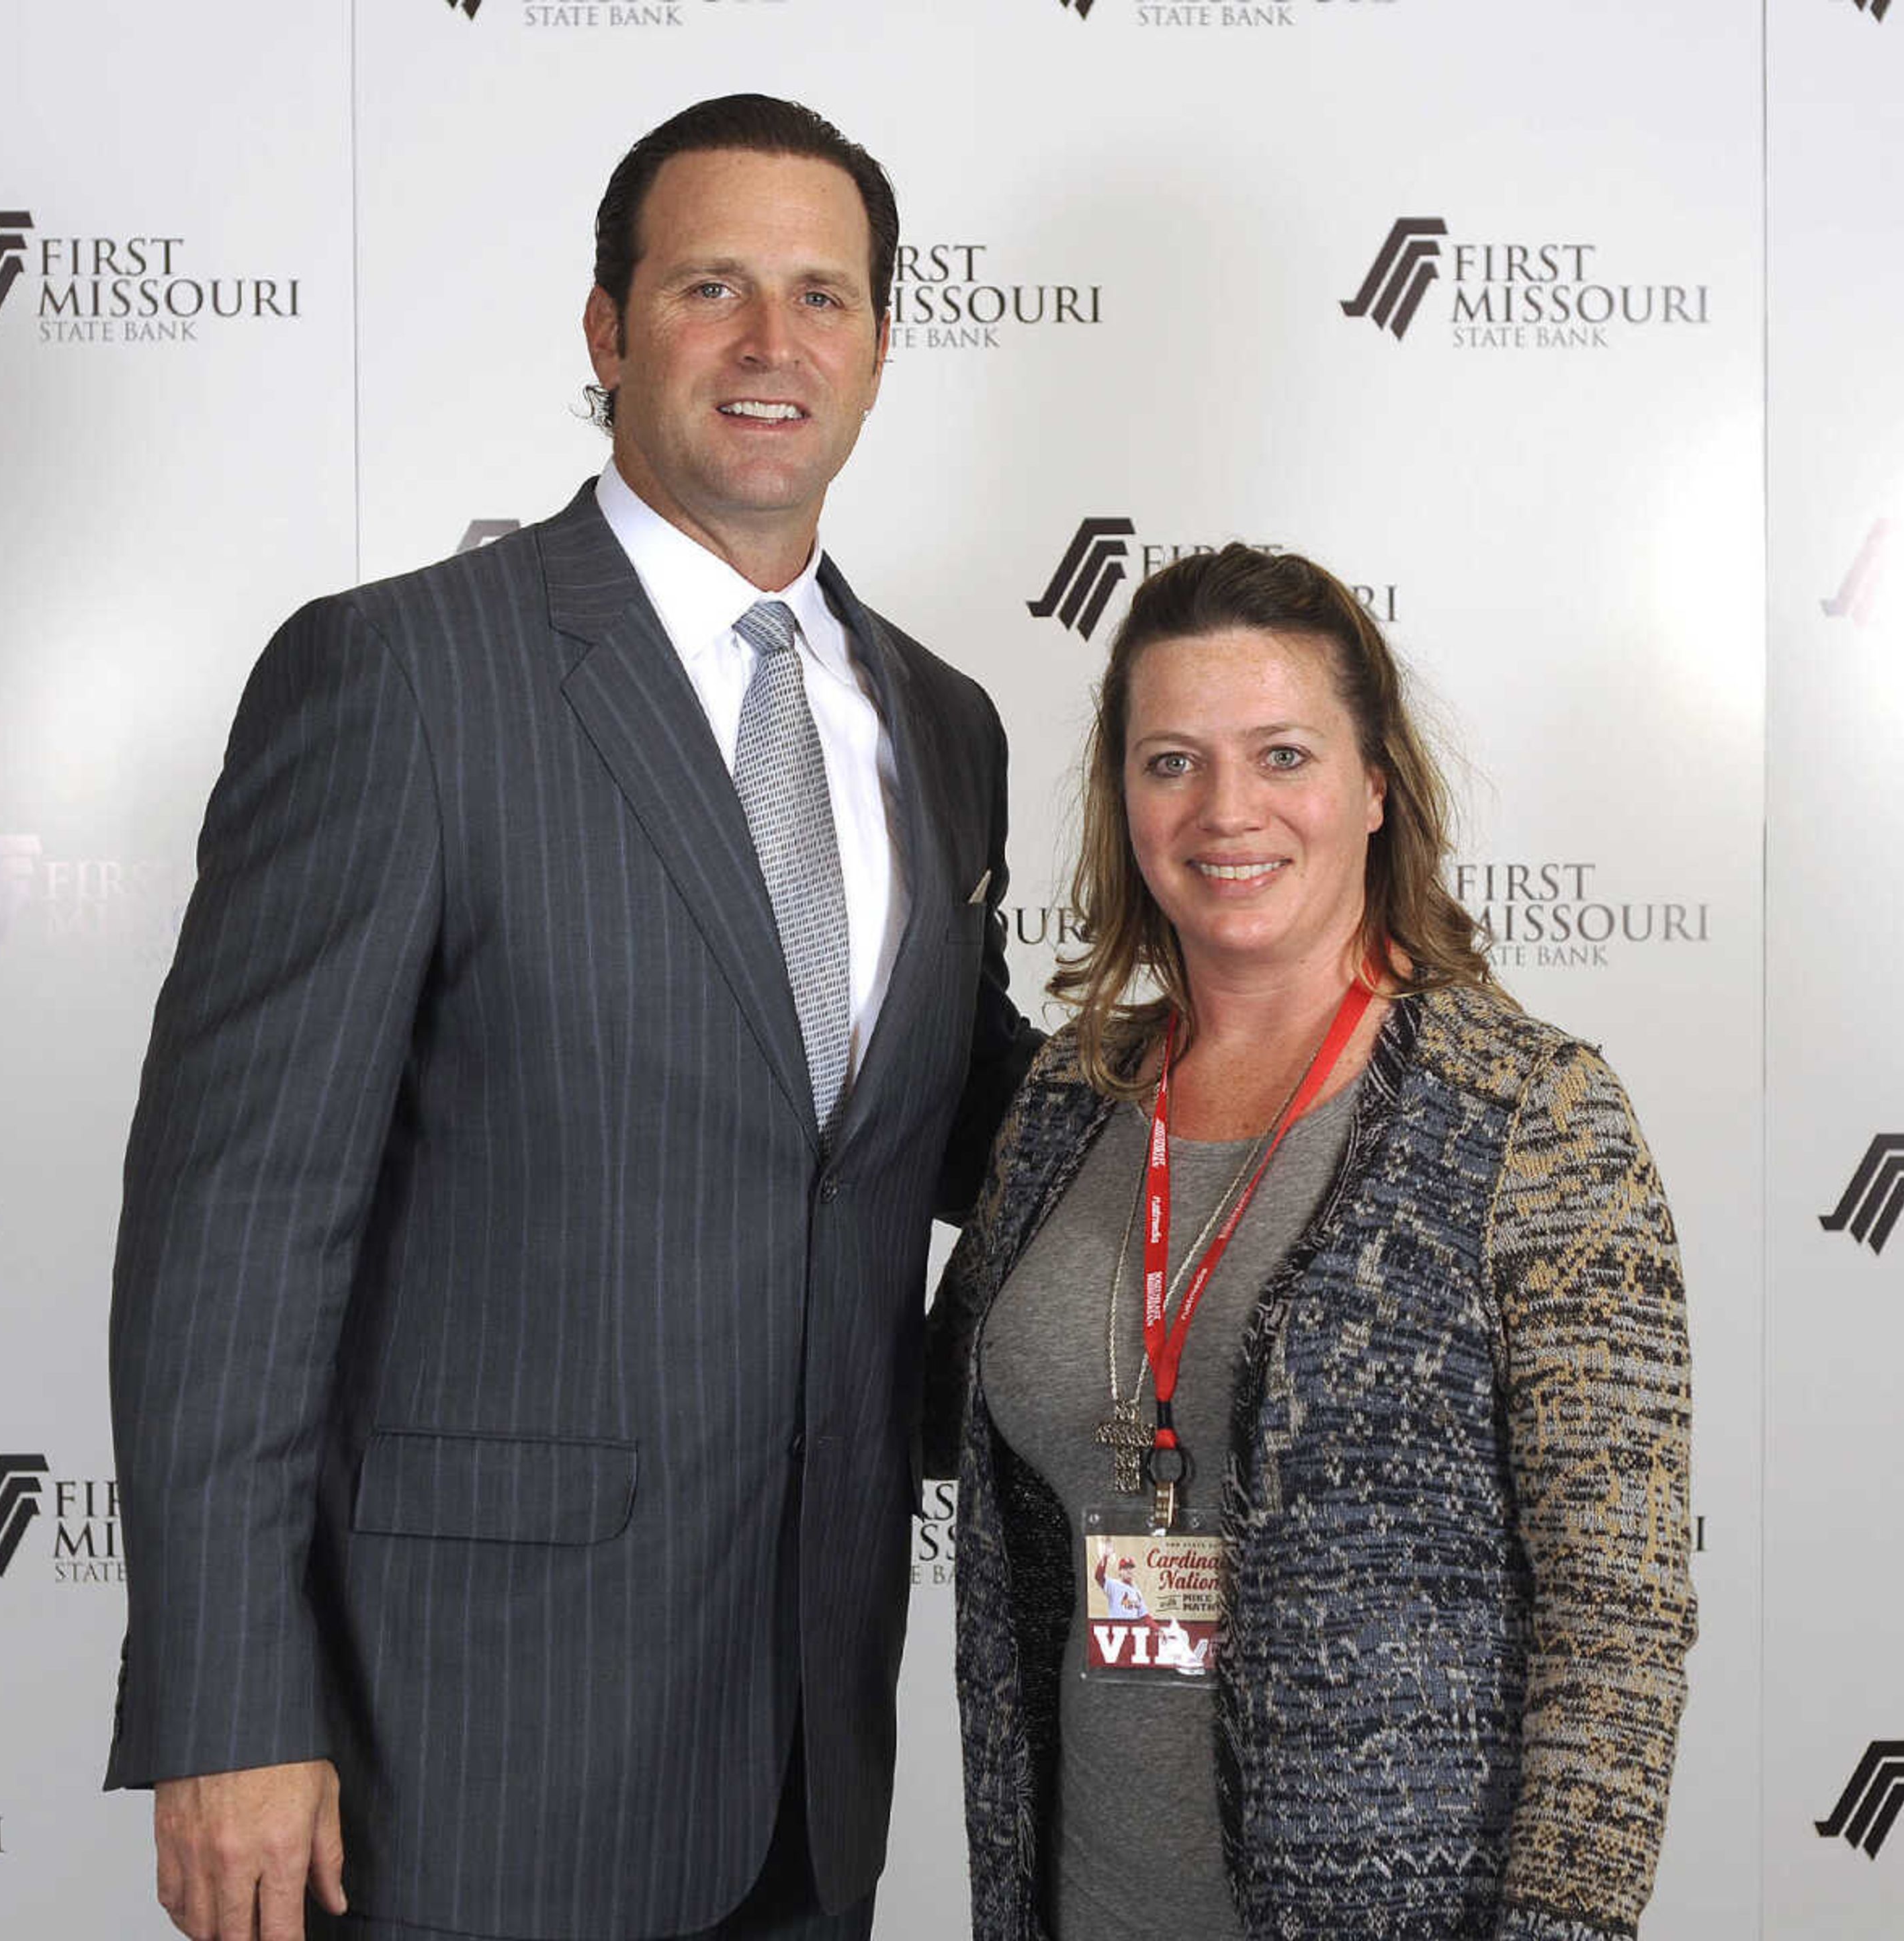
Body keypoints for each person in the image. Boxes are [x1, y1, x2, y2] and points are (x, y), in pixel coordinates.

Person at [105, 95, 1037, 1941]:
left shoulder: (943, 722)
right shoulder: (401, 677)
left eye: (824, 298)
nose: (774, 347)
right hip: (459, 1753)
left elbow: (936, 1126)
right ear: (607, 331)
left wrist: (1286, 1066)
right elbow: (233, 1237)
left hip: (803, 1741)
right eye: (712, 288)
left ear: (877, 347)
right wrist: (229, 1712)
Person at [926, 545, 1694, 1940]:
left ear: (1376, 785)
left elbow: (1619, 1617)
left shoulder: (1532, 1116)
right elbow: (919, 1404)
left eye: (1283, 753)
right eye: (1171, 761)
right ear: (1124, 799)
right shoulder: (1066, 1101)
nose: (1228, 810)